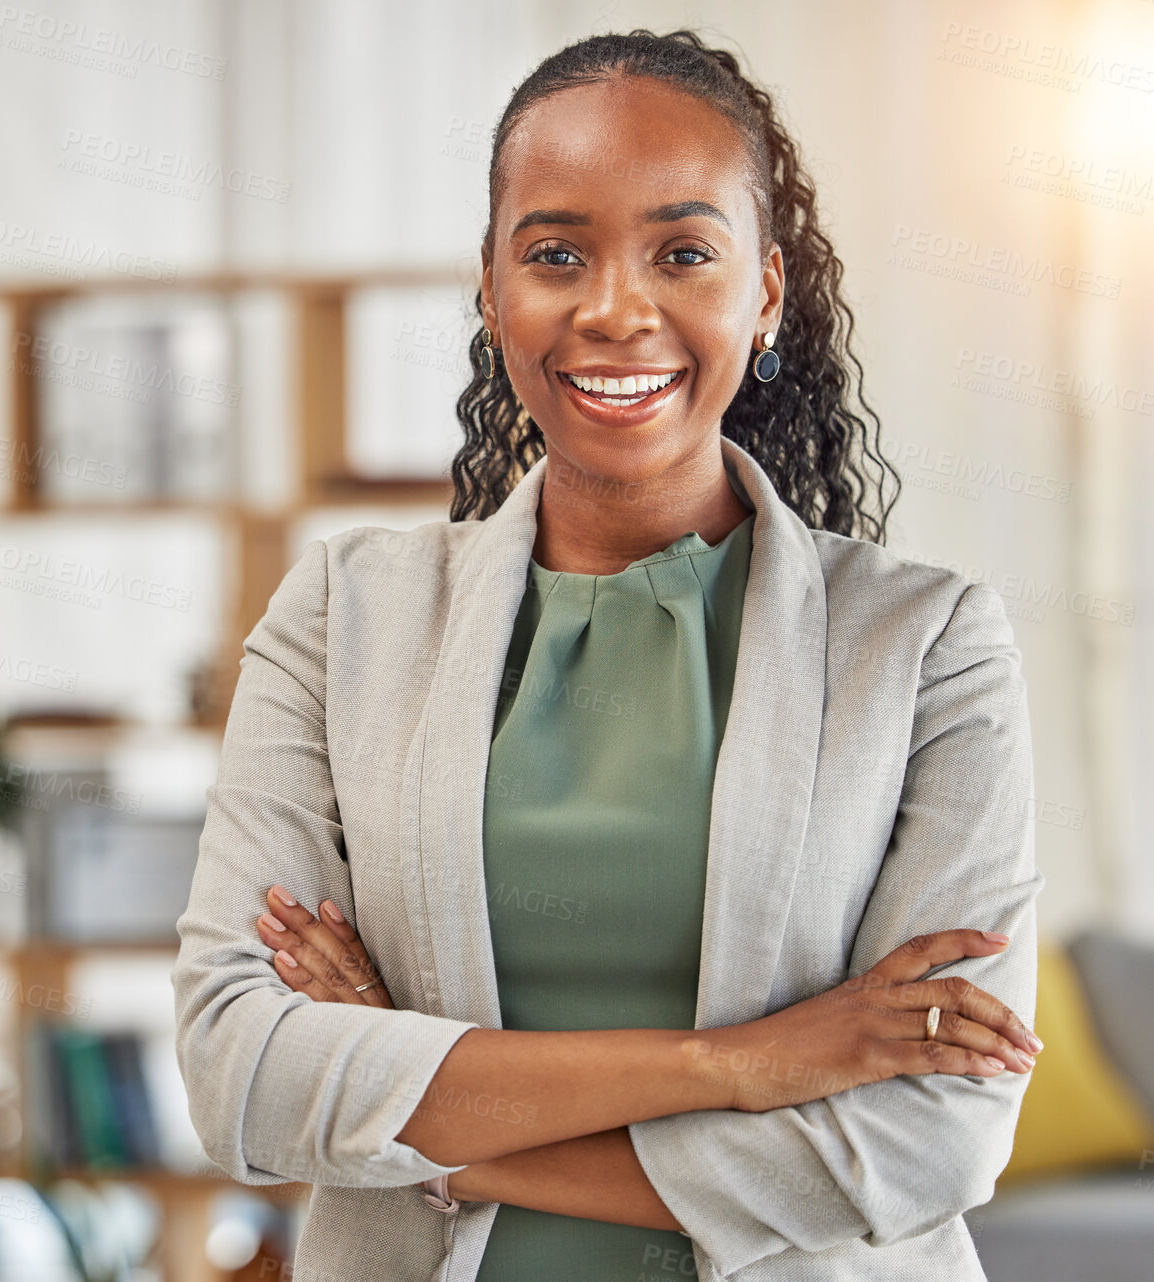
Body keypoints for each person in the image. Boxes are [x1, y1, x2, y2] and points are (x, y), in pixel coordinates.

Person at [171, 28, 1045, 1282]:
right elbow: (240, 1073)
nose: (615, 308)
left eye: (683, 251)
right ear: (491, 288)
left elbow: (928, 1140)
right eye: (556, 254)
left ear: (766, 292)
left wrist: (434, 1139)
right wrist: (749, 1064)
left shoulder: (926, 645)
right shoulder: (340, 614)